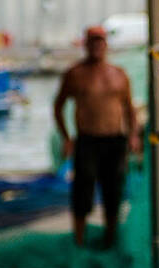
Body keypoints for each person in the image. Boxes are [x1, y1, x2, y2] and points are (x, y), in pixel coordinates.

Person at [54, 26, 141, 247]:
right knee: (82, 192)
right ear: (85, 44)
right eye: (92, 41)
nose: (96, 46)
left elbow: (130, 108)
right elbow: (58, 106)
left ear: (106, 45)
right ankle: (79, 241)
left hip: (114, 141)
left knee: (113, 192)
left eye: (100, 41)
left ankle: (110, 239)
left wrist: (133, 135)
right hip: (87, 141)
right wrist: (66, 137)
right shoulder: (75, 74)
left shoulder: (118, 74)